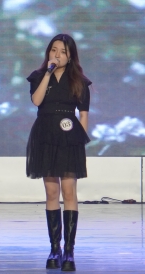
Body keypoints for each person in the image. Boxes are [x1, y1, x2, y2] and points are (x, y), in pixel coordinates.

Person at [26, 33, 92, 272]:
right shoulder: (38, 76)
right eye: (54, 50)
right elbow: (36, 101)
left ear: (71, 56)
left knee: (69, 191)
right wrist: (47, 73)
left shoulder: (79, 81)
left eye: (63, 51)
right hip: (45, 135)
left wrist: (80, 140)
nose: (57, 54)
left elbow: (83, 114)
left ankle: (69, 251)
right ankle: (54, 248)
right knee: (51, 191)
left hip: (69, 137)